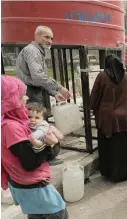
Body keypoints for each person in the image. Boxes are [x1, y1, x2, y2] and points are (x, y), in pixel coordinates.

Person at [1, 75, 68, 219]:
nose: (26, 99)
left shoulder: (11, 121)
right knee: (59, 214)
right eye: (20, 96)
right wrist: (50, 145)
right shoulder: (11, 127)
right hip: (32, 185)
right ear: (9, 101)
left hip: (25, 185)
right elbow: (30, 163)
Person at [16, 25, 70, 165]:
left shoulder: (38, 51)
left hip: (34, 90)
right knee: (37, 125)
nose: (50, 41)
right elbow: (39, 77)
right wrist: (59, 88)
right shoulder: (32, 51)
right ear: (36, 36)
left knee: (38, 124)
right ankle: (43, 157)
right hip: (30, 92)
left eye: (51, 38)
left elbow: (39, 78)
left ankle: (44, 156)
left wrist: (54, 92)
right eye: (46, 37)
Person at [89, 54, 127, 182]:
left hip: (109, 118)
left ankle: (111, 174)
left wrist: (92, 107)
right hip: (126, 118)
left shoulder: (102, 76)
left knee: (110, 148)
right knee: (126, 147)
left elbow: (94, 95)